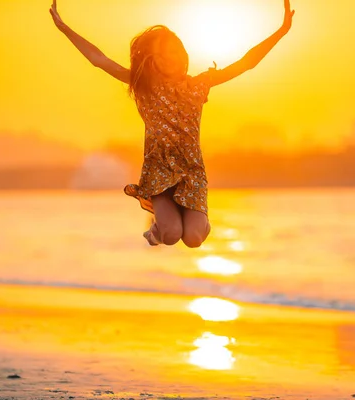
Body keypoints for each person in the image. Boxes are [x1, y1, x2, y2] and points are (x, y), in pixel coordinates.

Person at [50, 0, 294, 248]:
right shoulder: (143, 85)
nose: (175, 58)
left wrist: (281, 31)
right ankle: (156, 228)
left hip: (192, 172)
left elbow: (246, 63)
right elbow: (99, 59)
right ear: (155, 58)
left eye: (178, 51)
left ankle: (200, 222)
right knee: (171, 235)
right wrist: (65, 29)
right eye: (167, 54)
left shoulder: (198, 85)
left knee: (193, 239)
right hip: (159, 172)